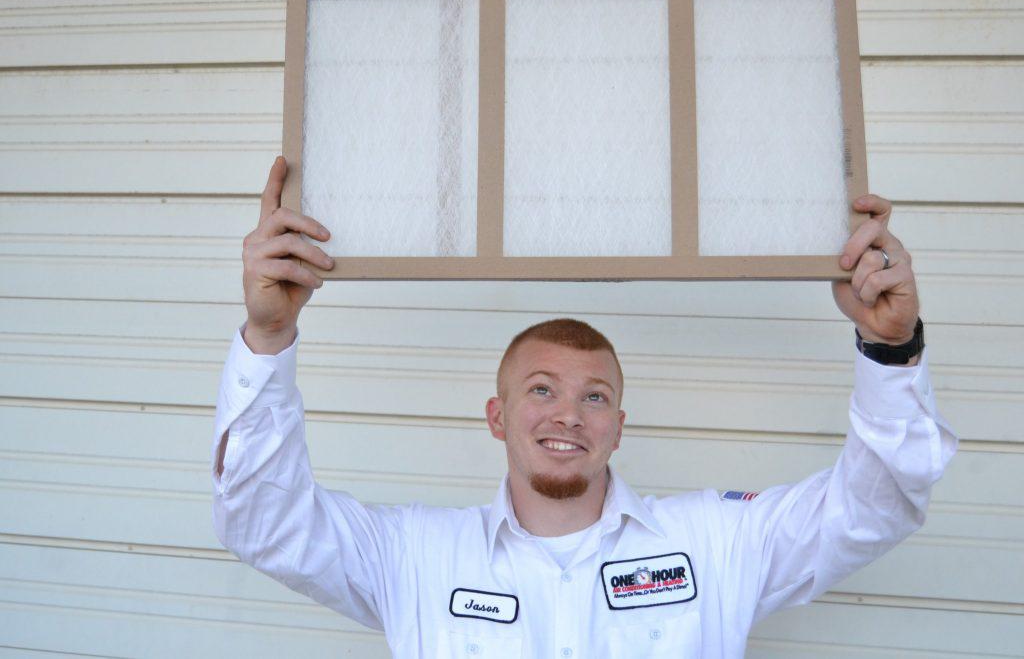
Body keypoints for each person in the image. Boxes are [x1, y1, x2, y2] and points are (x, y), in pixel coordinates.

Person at [212, 157, 956, 658]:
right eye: (541, 389)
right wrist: (270, 336)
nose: (568, 414)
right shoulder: (413, 555)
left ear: (619, 427)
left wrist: (890, 350)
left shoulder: (719, 542)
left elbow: (877, 507)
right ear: (496, 416)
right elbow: (263, 523)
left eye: (594, 396)